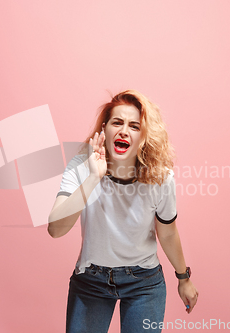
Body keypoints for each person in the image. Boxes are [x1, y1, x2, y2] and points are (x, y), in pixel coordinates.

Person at [47, 90, 198, 333]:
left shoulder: (161, 178)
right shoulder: (81, 166)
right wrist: (93, 178)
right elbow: (55, 229)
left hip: (144, 284)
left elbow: (167, 234)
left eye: (134, 126)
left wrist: (184, 278)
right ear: (104, 129)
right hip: (91, 282)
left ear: (143, 136)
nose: (124, 130)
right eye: (117, 122)